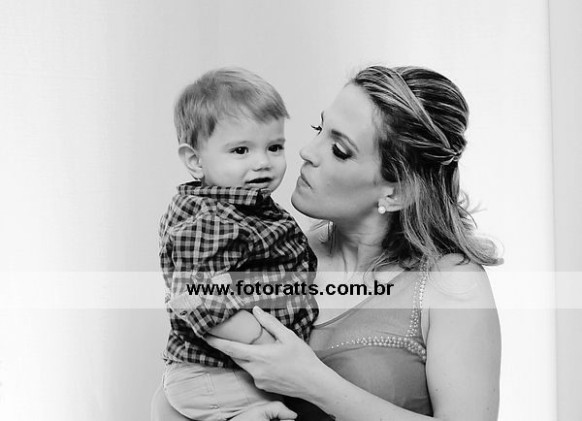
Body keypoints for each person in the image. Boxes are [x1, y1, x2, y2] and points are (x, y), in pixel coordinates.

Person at [151, 65, 502, 421]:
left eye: (339, 149)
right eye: (319, 129)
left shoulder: (451, 284)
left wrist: (313, 383)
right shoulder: (282, 256)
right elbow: (178, 394)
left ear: (396, 192)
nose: (307, 152)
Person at [159, 67, 318, 421]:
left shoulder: (247, 207)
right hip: (217, 375)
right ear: (195, 160)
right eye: (241, 150)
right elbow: (199, 296)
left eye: (274, 147)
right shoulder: (211, 219)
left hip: (231, 370)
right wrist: (264, 343)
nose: (262, 162)